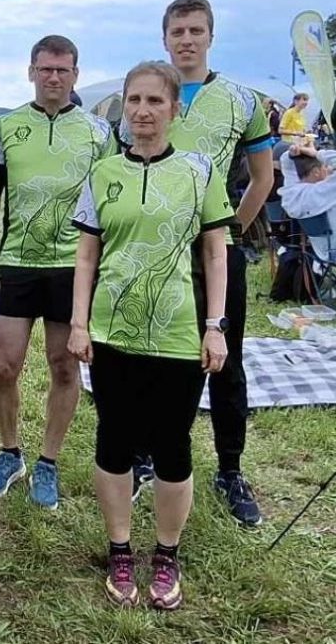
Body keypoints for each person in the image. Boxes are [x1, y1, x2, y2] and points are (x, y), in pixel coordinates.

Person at [69, 61, 233, 610]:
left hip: (178, 332)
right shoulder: (102, 173)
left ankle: (166, 554)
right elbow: (86, 256)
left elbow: (215, 253)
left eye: (155, 101)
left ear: (174, 109)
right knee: (113, 439)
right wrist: (78, 323)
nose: (143, 110)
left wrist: (215, 327)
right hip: (111, 332)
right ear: (124, 105)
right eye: (134, 100)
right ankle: (120, 549)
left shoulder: (199, 171)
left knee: (172, 444)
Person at [123, 0, 273, 524]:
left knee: (224, 358)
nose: (186, 40)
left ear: (211, 36)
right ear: (164, 38)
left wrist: (230, 230)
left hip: (214, 254)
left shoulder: (241, 100)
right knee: (149, 355)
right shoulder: (146, 95)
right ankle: (143, 456)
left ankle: (230, 468)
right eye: (177, 31)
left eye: (195, 30)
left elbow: (263, 177)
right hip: (152, 252)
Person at [0, 35, 115, 509]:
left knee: (63, 365)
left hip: (71, 267)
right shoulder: (8, 126)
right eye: (45, 69)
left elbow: (108, 204)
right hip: (15, 263)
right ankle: (9, 452)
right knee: (4, 366)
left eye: (63, 70)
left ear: (76, 74)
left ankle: (48, 461)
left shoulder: (98, 131)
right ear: (31, 71)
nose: (53, 77)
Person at [279, 145, 336, 261]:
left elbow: (287, 167)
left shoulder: (291, 195)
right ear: (316, 172)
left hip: (321, 253)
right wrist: (317, 153)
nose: (328, 169)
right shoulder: (324, 191)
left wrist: (291, 153)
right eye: (325, 167)